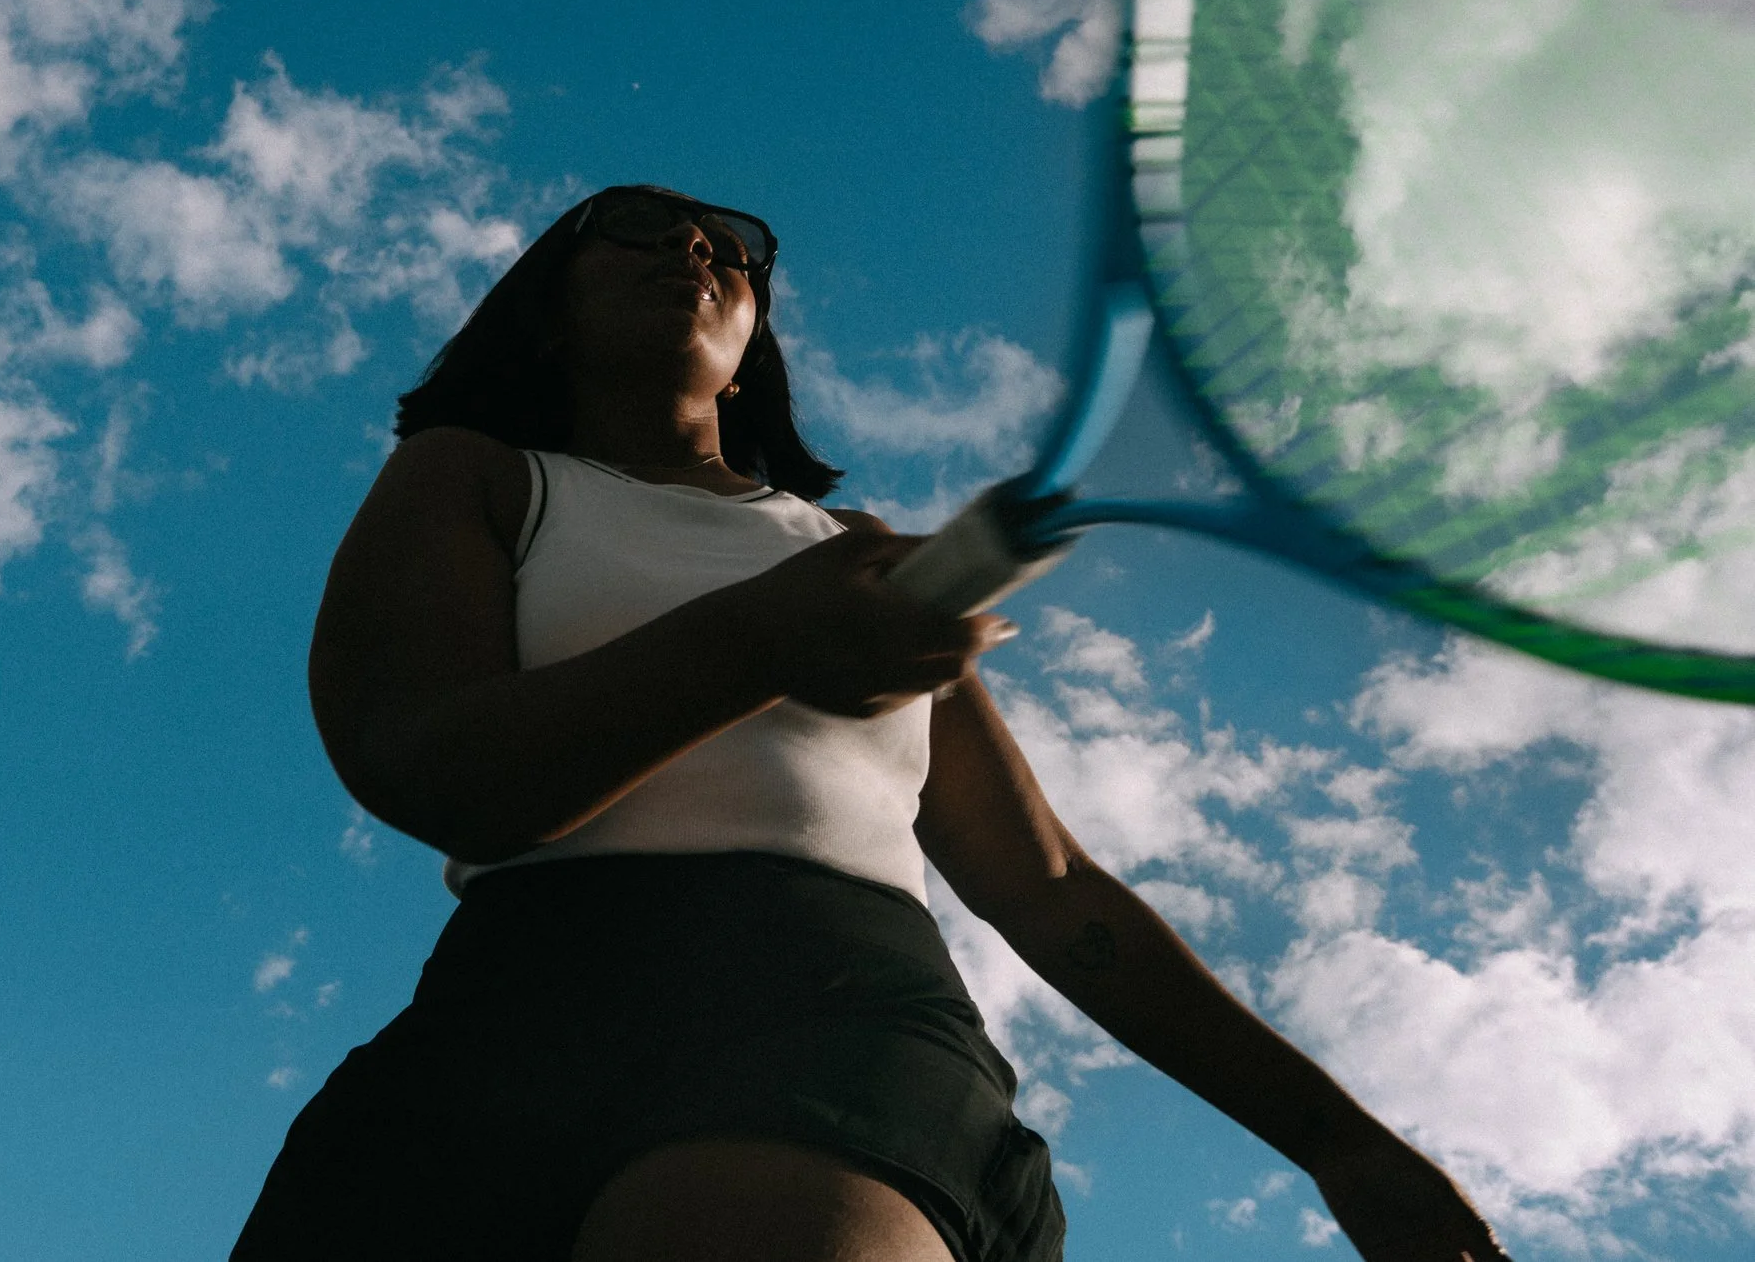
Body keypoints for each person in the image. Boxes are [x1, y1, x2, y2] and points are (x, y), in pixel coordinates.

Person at [232, 186, 1510, 1262]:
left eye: (729, 251)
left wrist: (1338, 1142)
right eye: (637, 227)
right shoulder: (472, 472)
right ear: (547, 302)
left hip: (831, 1004)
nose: (695, 250)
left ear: (753, 346)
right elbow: (430, 767)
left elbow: (1055, 888)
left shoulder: (849, 554)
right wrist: (760, 636)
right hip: (495, 1019)